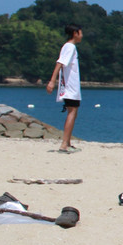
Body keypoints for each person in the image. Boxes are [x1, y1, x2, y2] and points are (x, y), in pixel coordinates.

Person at [46, 24, 83, 153]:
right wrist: (52, 81)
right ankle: (64, 144)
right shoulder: (70, 47)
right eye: (80, 33)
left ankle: (67, 141)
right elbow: (60, 63)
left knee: (73, 112)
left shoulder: (69, 47)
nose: (82, 35)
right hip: (70, 87)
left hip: (71, 86)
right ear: (75, 33)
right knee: (72, 112)